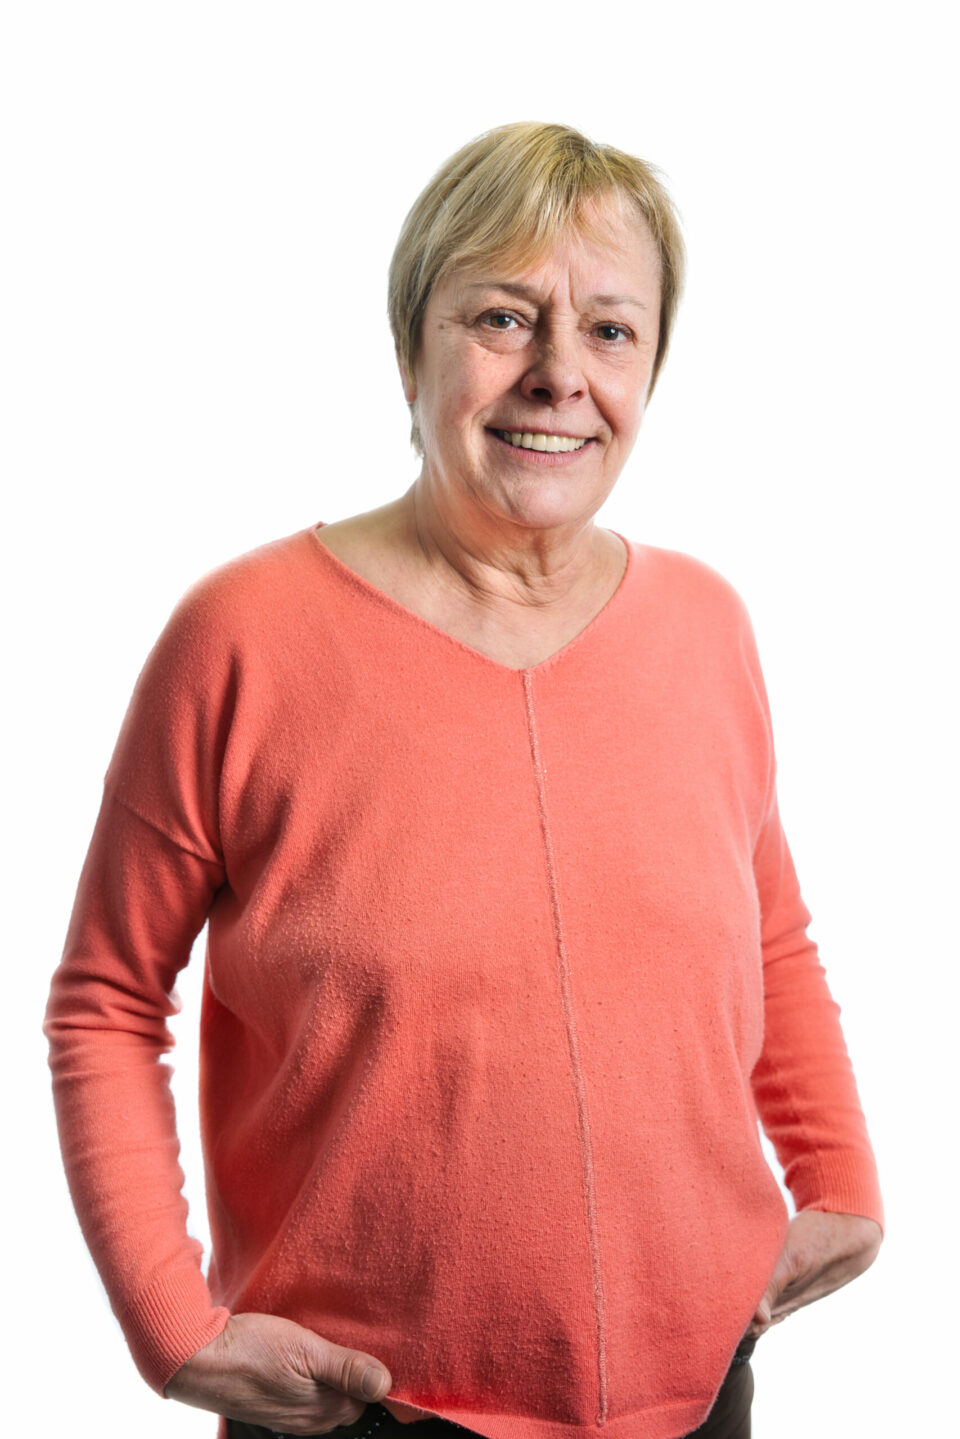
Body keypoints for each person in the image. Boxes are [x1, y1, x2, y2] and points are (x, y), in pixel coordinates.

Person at [44, 121, 884, 1439]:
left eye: (610, 330)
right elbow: (107, 997)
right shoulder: (243, 638)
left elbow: (767, 935)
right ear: (410, 348)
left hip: (698, 1389)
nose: (559, 375)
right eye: (503, 318)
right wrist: (169, 1323)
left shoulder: (706, 624)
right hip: (364, 1406)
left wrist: (837, 1169)